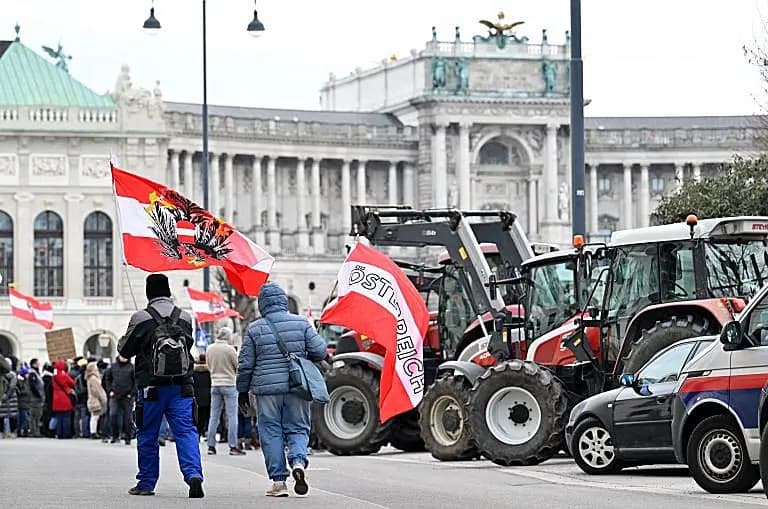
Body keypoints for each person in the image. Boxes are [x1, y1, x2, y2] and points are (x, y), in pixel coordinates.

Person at [237, 282, 327, 497]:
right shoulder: (302, 323)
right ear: (283, 302)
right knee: (297, 428)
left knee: (270, 432)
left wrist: (242, 390)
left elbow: (245, 364)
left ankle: (279, 482)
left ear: (263, 304)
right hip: (297, 386)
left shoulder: (255, 328)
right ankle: (297, 462)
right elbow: (320, 351)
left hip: (266, 390)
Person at [118, 274, 204, 498]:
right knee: (186, 432)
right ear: (168, 291)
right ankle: (194, 475)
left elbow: (124, 351)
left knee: (148, 433)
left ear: (148, 293)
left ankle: (146, 483)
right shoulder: (184, 317)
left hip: (151, 388)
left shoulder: (141, 318)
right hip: (182, 386)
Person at [206, 326, 244, 456]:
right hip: (229, 384)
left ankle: (211, 445)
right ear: (228, 337)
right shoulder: (230, 350)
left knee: (214, 415)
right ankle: (233, 446)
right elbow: (237, 366)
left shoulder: (209, 349)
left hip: (215, 383)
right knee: (232, 416)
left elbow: (209, 365)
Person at [104, 355, 136, 445]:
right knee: (113, 415)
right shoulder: (113, 367)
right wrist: (110, 390)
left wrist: (132, 393)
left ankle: (128, 437)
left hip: (127, 396)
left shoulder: (132, 367)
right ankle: (115, 436)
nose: (124, 357)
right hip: (114, 395)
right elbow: (108, 379)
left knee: (128, 418)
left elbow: (136, 381)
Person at [51, 360, 75, 439]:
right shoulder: (63, 375)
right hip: (64, 397)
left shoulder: (54, 376)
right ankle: (66, 433)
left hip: (56, 398)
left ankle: (59, 433)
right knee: (66, 417)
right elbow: (72, 383)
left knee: (59, 417)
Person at [85, 361, 108, 438]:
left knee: (94, 416)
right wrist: (103, 397)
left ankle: (94, 431)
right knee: (95, 416)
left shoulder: (89, 378)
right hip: (96, 399)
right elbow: (97, 390)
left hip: (92, 398)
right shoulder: (93, 378)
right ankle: (94, 432)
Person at [70, 357, 90, 438]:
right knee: (84, 416)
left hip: (76, 398)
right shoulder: (84, 376)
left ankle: (77, 433)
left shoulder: (72, 373)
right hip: (84, 397)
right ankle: (85, 433)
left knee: (76, 417)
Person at [192, 353, 211, 438]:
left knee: (198, 416)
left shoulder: (194, 372)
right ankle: (206, 431)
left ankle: (199, 432)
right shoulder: (209, 372)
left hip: (197, 396)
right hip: (207, 396)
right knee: (207, 415)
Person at [0, 356, 19, 438]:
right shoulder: (12, 375)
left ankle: (3, 432)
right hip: (10, 397)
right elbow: (12, 386)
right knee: (11, 416)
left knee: (3, 415)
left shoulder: (7, 375)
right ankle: (10, 432)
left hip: (5, 396)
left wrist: (4, 395)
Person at [26, 359, 45, 437]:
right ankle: (34, 431)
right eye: (37, 363)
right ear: (34, 364)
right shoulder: (32, 373)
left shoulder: (36, 373)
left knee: (37, 415)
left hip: (37, 397)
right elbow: (33, 386)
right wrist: (38, 395)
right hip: (35, 398)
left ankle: (36, 431)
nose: (39, 364)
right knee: (34, 415)